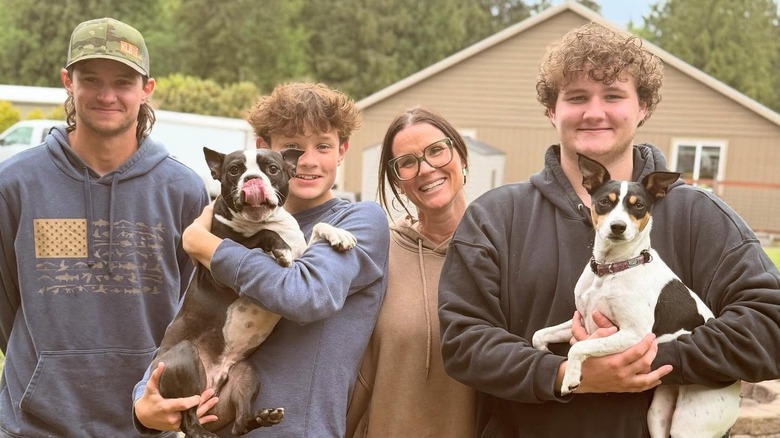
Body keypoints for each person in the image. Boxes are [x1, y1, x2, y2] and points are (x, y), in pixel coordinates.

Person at [437, 22, 780, 437]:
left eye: (614, 96)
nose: (594, 112)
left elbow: (769, 324)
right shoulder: (495, 217)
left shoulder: (699, 215)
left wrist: (646, 360)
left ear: (643, 107)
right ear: (551, 110)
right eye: (577, 97)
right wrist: (564, 372)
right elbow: (464, 343)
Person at [133, 81, 390, 437]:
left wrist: (210, 248)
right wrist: (144, 403)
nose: (308, 161)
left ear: (342, 150)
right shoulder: (231, 224)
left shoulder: (359, 222)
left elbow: (307, 295)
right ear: (264, 150)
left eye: (323, 146)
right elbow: (189, 321)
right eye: (293, 147)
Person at [0, 17, 210, 437]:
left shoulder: (183, 190)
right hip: (33, 425)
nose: (107, 95)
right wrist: (49, 368)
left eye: (123, 82)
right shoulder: (15, 184)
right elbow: (6, 300)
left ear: (147, 89)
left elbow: (195, 309)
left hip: (146, 422)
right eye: (91, 79)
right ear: (67, 81)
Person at [346, 107, 476, 437]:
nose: (426, 168)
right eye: (407, 162)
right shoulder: (377, 253)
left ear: (461, 156)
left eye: (436, 150)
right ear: (397, 182)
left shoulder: (501, 250)